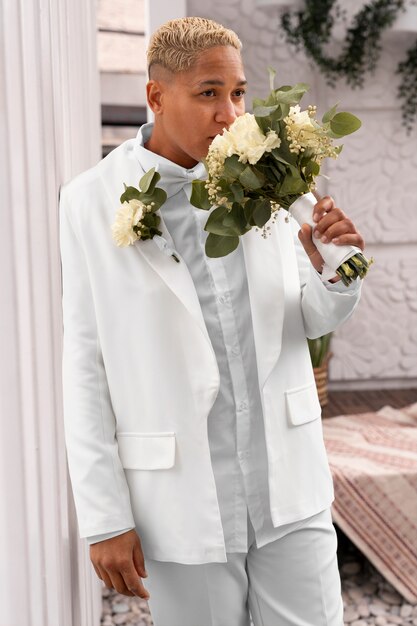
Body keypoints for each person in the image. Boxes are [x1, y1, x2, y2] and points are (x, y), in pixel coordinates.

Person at [59, 16, 365, 626]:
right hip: (180, 497)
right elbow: (85, 368)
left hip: (287, 483)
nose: (230, 114)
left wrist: (332, 271)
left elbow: (306, 318)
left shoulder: (268, 176)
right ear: (156, 96)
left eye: (238, 92)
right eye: (208, 93)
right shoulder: (90, 201)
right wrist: (105, 518)